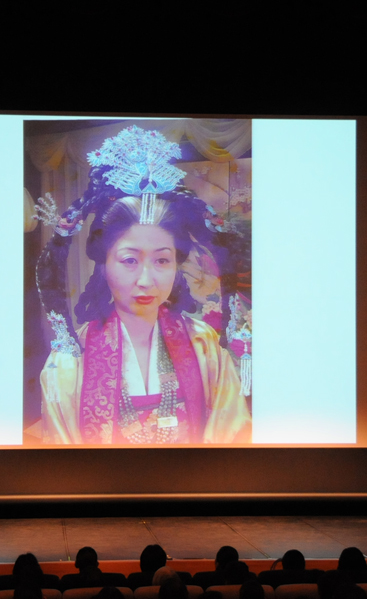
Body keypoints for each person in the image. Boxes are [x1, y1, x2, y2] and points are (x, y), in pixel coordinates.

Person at [35, 126, 252, 445]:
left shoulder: (204, 346)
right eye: (129, 260)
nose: (146, 280)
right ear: (103, 264)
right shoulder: (70, 362)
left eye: (162, 260)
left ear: (177, 265)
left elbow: (230, 437)